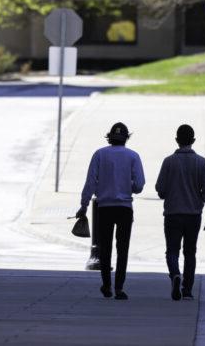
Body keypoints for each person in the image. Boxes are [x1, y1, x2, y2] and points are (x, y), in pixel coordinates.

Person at [77, 122, 145, 300]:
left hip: (104, 208)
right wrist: (126, 184)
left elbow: (90, 183)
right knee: (123, 249)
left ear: (110, 137)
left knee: (104, 248)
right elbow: (139, 186)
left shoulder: (100, 154)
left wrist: (83, 206)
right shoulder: (133, 156)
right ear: (126, 138)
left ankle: (106, 285)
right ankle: (119, 287)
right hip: (124, 209)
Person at [154, 124, 205, 301]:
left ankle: (175, 274)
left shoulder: (169, 162)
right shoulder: (201, 162)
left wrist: (167, 192)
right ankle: (187, 289)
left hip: (173, 214)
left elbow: (160, 189)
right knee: (190, 252)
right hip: (193, 215)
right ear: (193, 141)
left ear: (176, 140)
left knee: (172, 250)